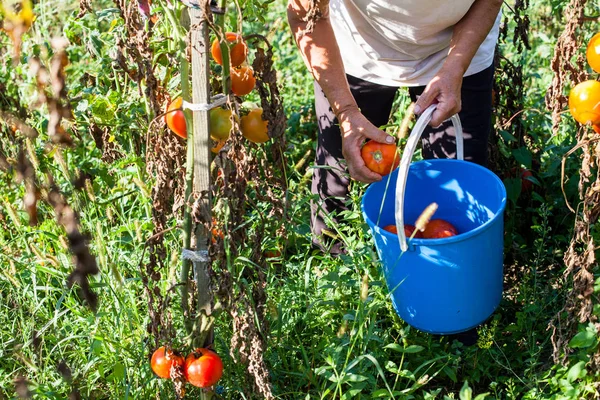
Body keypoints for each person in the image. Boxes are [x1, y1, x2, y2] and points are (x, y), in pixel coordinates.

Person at [287, 0, 504, 255]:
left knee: (460, 183)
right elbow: (305, 17)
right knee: (339, 170)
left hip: (462, 41)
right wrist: (345, 112)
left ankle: (449, 265)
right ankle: (331, 262)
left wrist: (455, 67)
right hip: (358, 45)